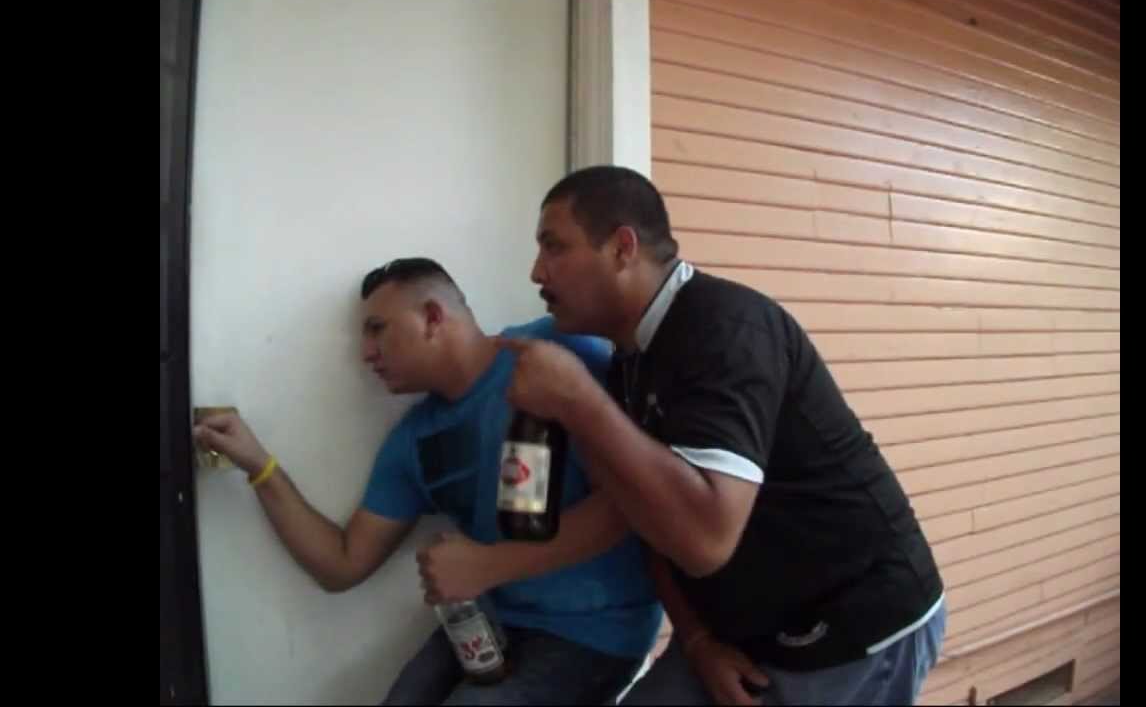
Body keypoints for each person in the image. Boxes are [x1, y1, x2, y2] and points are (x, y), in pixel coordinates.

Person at [493, 166, 947, 705]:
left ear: (621, 248)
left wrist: (577, 400)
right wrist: (696, 638)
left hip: (852, 628)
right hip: (732, 634)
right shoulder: (631, 361)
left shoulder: (727, 329)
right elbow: (645, 515)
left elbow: (705, 539)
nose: (536, 271)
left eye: (554, 246)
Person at [192, 257, 661, 706]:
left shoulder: (554, 349)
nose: (366, 353)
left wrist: (487, 565)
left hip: (596, 631)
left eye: (378, 329)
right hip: (491, 620)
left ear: (433, 317)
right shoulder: (413, 442)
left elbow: (638, 497)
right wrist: (259, 466)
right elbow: (341, 563)